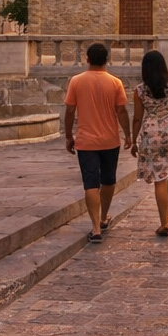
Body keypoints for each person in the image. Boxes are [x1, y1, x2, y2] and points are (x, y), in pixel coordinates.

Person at [64, 42, 131, 243]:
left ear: (87, 59)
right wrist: (128, 135)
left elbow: (69, 111)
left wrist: (69, 136)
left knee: (90, 183)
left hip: (86, 142)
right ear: (107, 60)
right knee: (109, 180)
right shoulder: (115, 82)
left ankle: (95, 228)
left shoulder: (76, 81)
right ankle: (103, 218)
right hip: (110, 140)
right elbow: (121, 111)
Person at [130, 50, 168, 237]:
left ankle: (164, 220)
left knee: (160, 178)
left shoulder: (140, 90)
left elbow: (138, 119)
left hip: (152, 136)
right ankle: (167, 216)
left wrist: (133, 140)